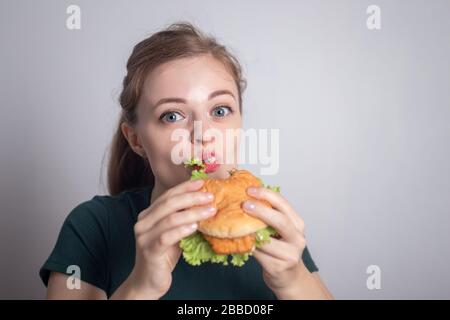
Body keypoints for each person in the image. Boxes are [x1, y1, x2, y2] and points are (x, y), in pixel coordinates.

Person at [40, 22, 333, 300]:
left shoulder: (270, 224)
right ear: (136, 139)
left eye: (220, 111)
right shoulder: (93, 226)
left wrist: (294, 280)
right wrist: (141, 287)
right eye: (172, 116)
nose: (203, 134)